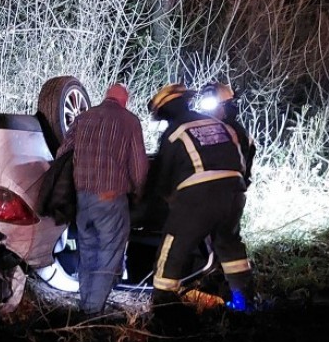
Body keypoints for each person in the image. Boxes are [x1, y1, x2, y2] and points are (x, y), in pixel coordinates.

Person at [146, 83, 255, 318]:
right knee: (230, 244)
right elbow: (242, 161)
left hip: (199, 197)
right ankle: (244, 300)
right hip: (234, 193)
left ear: (166, 110)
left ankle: (164, 307)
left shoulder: (175, 131)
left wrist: (162, 201)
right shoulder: (219, 125)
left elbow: (162, 178)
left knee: (173, 245)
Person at [55, 83, 149, 315]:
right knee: (107, 256)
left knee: (87, 254)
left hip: (82, 199)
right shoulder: (129, 121)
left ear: (107, 96)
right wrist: (138, 193)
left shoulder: (83, 118)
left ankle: (85, 305)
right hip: (110, 200)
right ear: (124, 100)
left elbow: (62, 154)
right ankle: (92, 313)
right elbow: (139, 167)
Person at [198, 81, 257, 187]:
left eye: (213, 105)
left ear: (226, 106)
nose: (209, 111)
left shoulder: (238, 133)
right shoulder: (197, 131)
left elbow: (245, 167)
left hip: (230, 191)